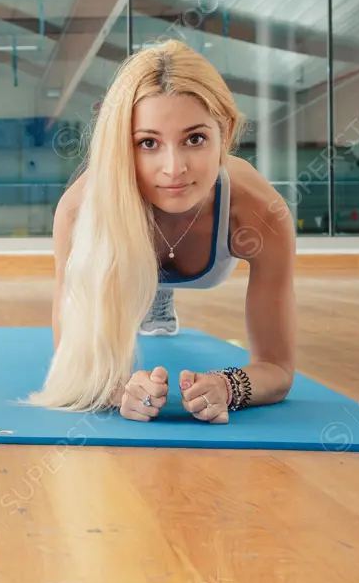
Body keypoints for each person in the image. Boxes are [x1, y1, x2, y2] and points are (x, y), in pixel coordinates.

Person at [26, 39, 296, 424]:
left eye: (195, 139)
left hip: (201, 237)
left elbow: (277, 368)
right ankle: (151, 291)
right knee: (135, 275)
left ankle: (157, 294)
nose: (174, 168)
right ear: (122, 145)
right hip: (129, 252)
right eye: (148, 143)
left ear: (227, 133)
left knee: (152, 275)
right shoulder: (78, 211)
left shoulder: (258, 213)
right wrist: (119, 390)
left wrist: (227, 386)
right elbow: (71, 360)